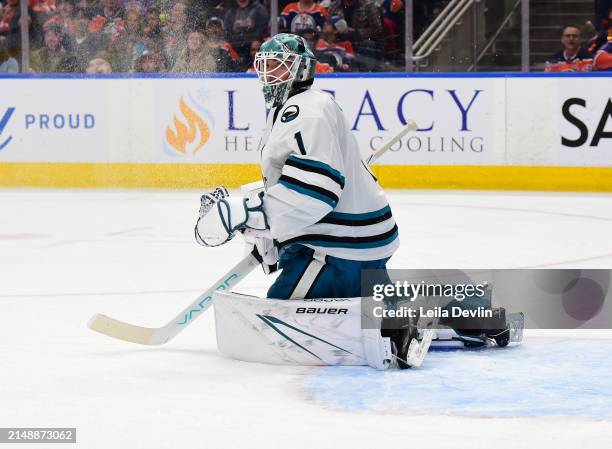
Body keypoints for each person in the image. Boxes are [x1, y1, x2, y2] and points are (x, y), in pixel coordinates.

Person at [193, 33, 427, 367]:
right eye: (265, 65)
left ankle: (393, 331)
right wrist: (269, 235)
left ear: (301, 70)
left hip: (335, 251)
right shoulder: (297, 107)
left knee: (275, 327)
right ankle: (454, 316)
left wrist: (243, 212)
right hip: (358, 242)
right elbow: (295, 188)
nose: (268, 73)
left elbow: (315, 194)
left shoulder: (305, 112)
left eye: (278, 66)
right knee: (360, 301)